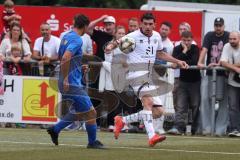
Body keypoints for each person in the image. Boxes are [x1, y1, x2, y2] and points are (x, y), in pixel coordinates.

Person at [105, 12, 188, 146]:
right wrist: (110, 47)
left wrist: (177, 61)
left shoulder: (156, 36)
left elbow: (160, 54)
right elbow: (117, 42)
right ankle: (152, 136)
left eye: (150, 24)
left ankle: (123, 120)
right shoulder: (133, 36)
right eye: (145, 24)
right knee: (148, 103)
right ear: (141, 24)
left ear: (154, 24)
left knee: (158, 112)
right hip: (135, 74)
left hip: (148, 76)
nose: (148, 26)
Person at [47, 14, 104, 149]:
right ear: (84, 26)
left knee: (80, 112)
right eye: (87, 27)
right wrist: (67, 77)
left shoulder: (66, 36)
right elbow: (66, 57)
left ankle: (55, 130)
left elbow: (66, 56)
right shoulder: (78, 39)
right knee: (91, 113)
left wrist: (78, 66)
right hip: (71, 83)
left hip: (66, 80)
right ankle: (92, 142)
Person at [197, 17, 229, 136]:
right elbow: (204, 49)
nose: (218, 27)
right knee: (205, 99)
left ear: (223, 26)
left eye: (220, 25)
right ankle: (207, 128)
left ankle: (220, 130)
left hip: (224, 74)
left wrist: (217, 64)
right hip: (210, 73)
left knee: (224, 103)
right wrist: (200, 62)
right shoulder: (209, 35)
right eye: (216, 25)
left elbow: (228, 53)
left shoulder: (228, 36)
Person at [168, 31, 201, 135]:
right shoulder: (177, 48)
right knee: (180, 105)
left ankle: (194, 129)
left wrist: (181, 61)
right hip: (182, 81)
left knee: (195, 105)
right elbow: (175, 60)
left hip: (195, 81)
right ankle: (178, 128)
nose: (186, 42)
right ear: (181, 39)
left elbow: (194, 61)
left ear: (192, 40)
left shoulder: (195, 48)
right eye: (184, 40)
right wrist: (185, 51)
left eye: (189, 40)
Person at [220, 31, 240, 137]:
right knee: (233, 106)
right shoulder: (227, 46)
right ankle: (235, 129)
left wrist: (230, 65)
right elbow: (223, 62)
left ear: (239, 38)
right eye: (230, 39)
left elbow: (225, 64)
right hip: (233, 81)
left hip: (234, 78)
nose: (232, 41)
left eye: (234, 39)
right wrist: (236, 69)